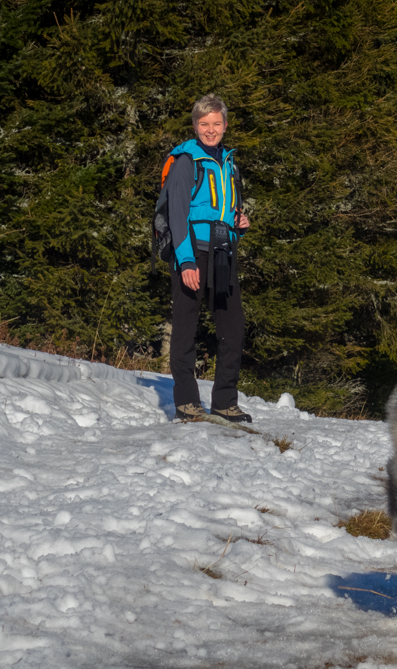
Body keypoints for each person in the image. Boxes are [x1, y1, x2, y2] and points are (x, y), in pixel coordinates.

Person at [165, 94, 253, 423]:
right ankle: (187, 402)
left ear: (226, 125)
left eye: (216, 124)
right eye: (204, 124)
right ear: (195, 126)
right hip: (193, 253)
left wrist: (238, 223)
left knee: (233, 327)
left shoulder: (228, 163)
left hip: (223, 252)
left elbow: (223, 209)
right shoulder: (186, 161)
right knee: (186, 328)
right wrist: (186, 261)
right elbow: (178, 216)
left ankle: (224, 402)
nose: (211, 130)